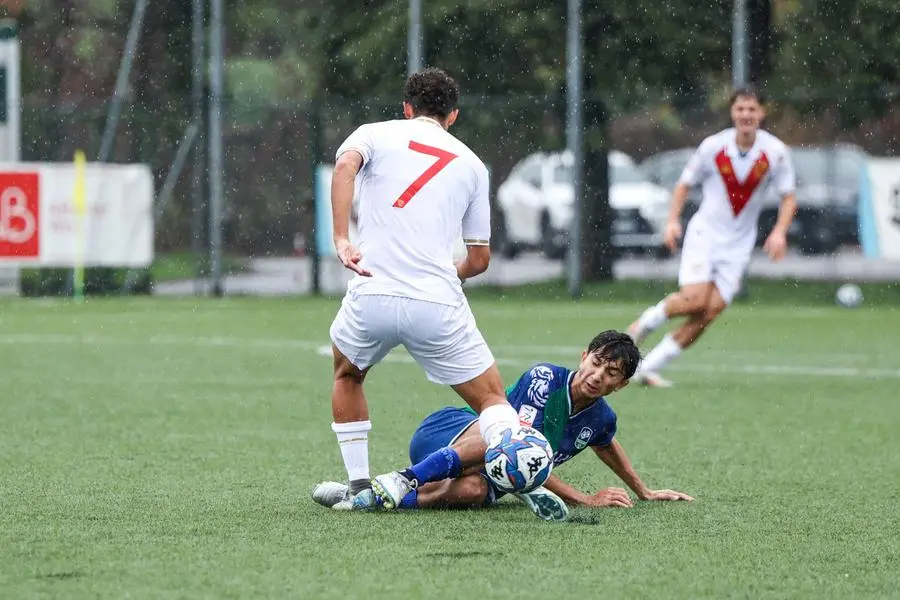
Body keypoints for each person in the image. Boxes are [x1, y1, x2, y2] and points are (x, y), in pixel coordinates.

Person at [324, 67, 521, 509]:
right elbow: (479, 259)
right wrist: (451, 271)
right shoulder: (471, 163)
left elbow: (344, 166)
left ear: (407, 108)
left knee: (347, 374)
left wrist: (342, 239)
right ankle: (524, 469)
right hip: (436, 301)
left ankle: (358, 488)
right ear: (453, 115)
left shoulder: (374, 133)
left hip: (371, 292)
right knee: (493, 401)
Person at [313, 331, 694, 521]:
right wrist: (583, 497)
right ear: (583, 357)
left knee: (475, 491)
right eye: (595, 363)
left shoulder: (601, 418)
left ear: (621, 385)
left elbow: (607, 443)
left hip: (488, 473)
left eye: (610, 373)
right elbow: (513, 448)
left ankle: (368, 498)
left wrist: (643, 491)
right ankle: (403, 477)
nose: (597, 376)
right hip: (451, 433)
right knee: (501, 447)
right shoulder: (545, 380)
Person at [627, 87, 797, 387]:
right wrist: (671, 222)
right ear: (732, 113)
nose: (746, 115)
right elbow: (683, 185)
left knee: (711, 310)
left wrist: (780, 232)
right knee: (695, 300)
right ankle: (644, 324)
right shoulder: (713, 147)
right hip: (705, 235)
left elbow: (789, 197)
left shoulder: (776, 152)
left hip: (739, 245)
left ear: (762, 113)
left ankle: (648, 367)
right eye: (741, 109)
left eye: (752, 109)